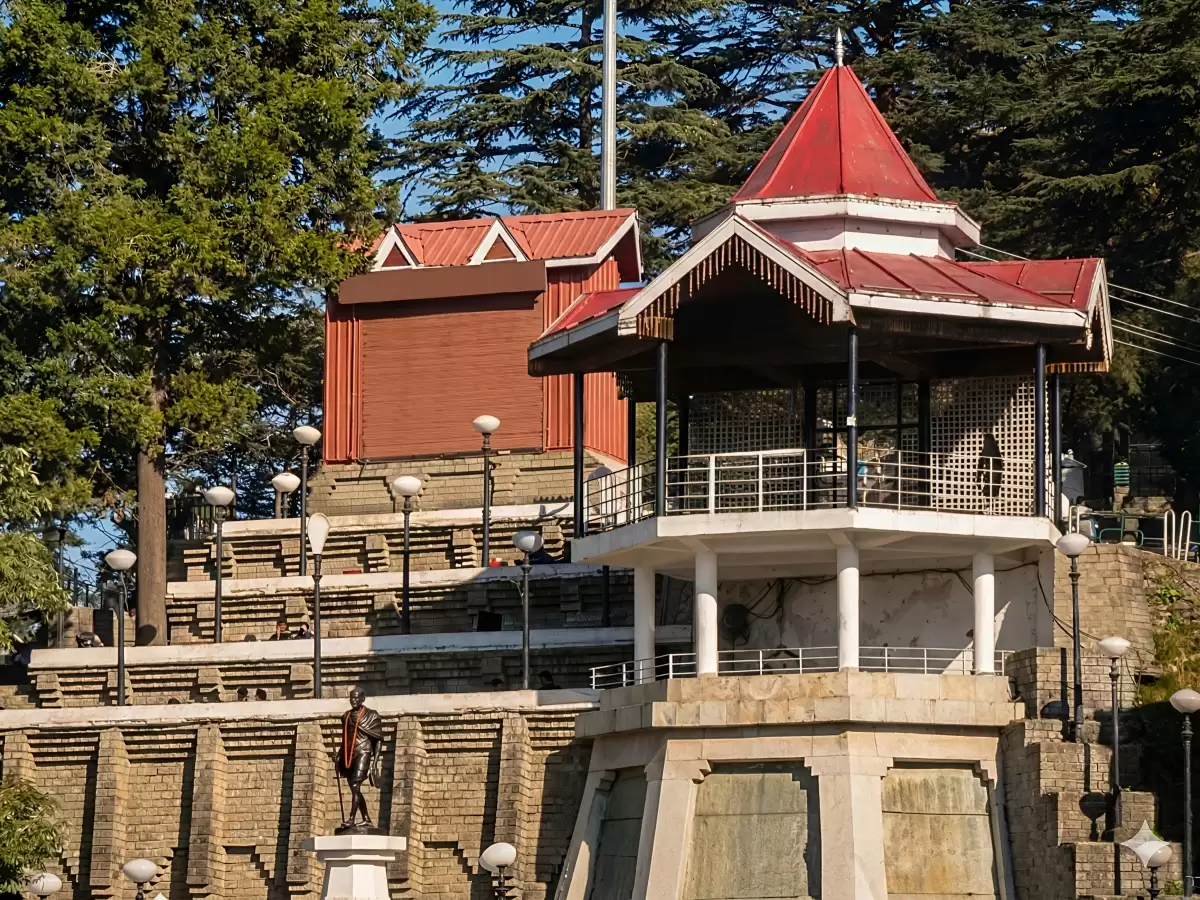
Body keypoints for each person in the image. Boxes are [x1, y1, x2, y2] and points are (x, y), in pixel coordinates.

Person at [336, 687, 384, 831]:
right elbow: (345, 738)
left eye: (357, 698)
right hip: (350, 753)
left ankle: (351, 818)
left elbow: (378, 740)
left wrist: (375, 763)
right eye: (351, 698)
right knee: (354, 788)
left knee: (356, 784)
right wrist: (338, 754)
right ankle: (366, 819)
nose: (354, 701)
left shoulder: (372, 715)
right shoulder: (346, 716)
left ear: (363, 699)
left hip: (364, 751)